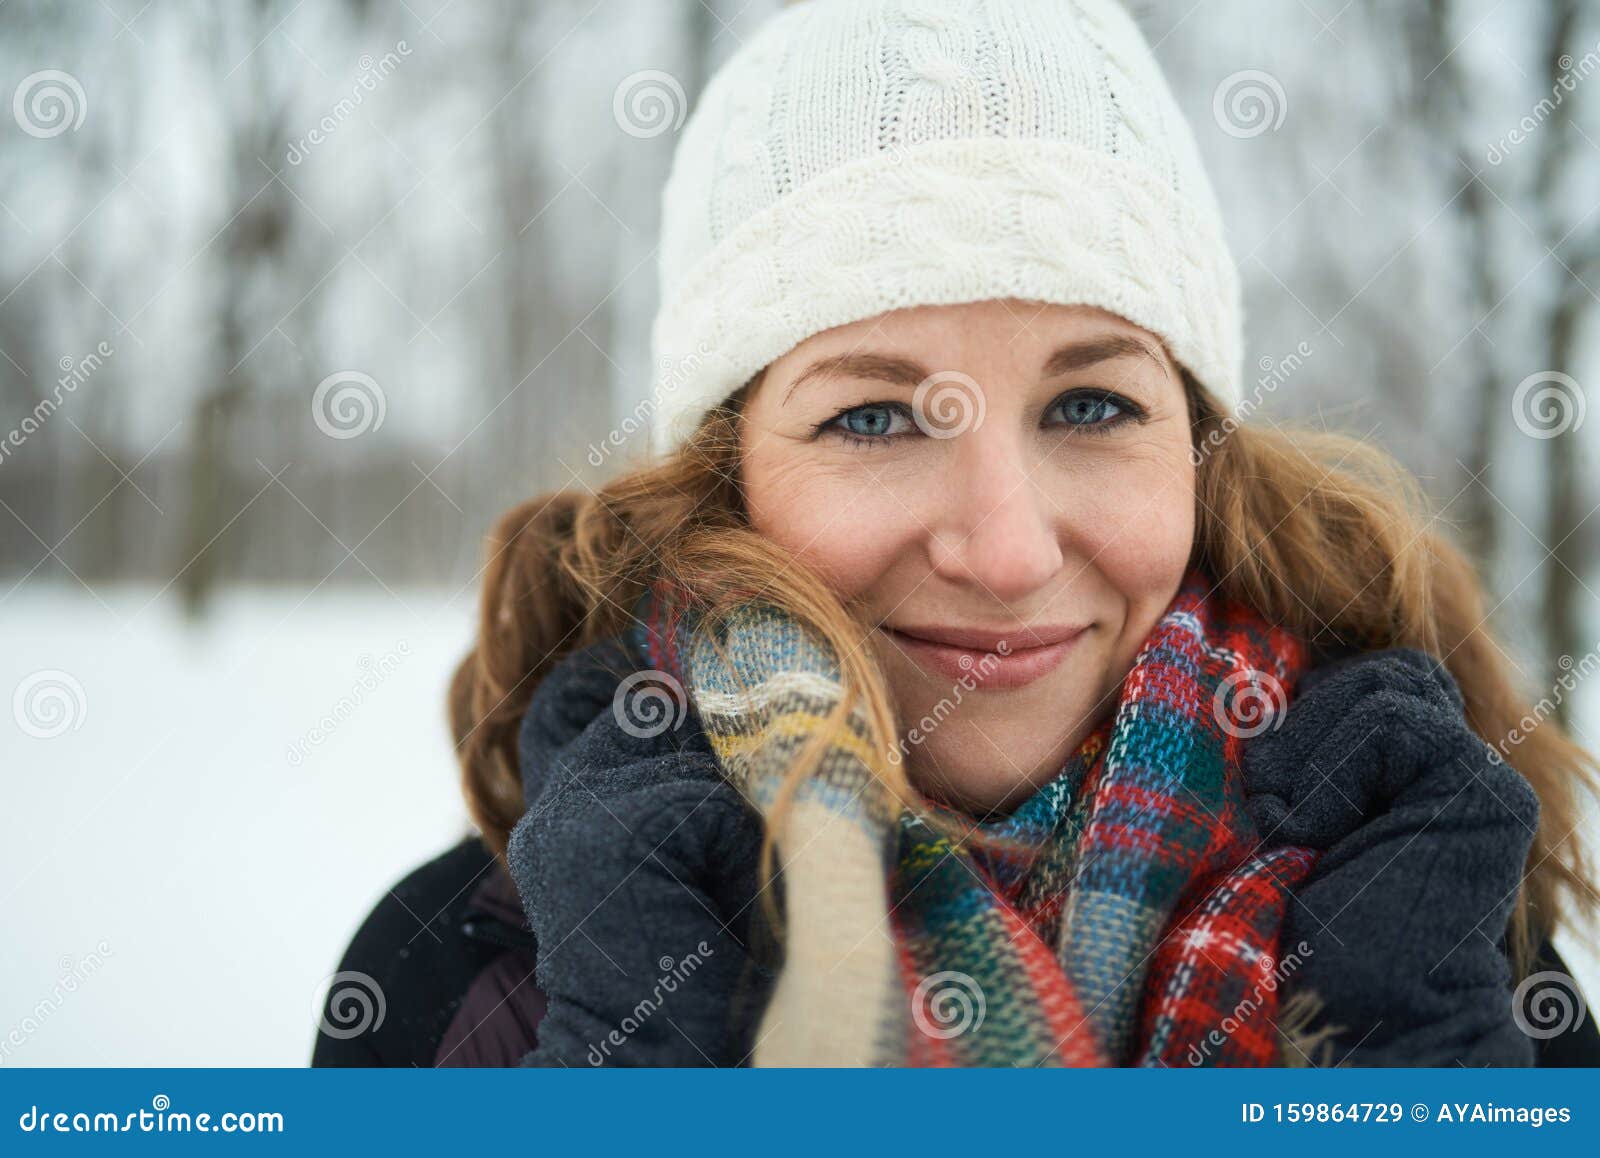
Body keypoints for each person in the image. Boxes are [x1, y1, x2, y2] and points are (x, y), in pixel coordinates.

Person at [317, 0, 1599, 1067]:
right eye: (875, 418)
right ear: (722, 486)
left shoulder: (1446, 920)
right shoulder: (464, 981)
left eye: (1091, 405)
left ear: (1202, 457)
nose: (1008, 552)